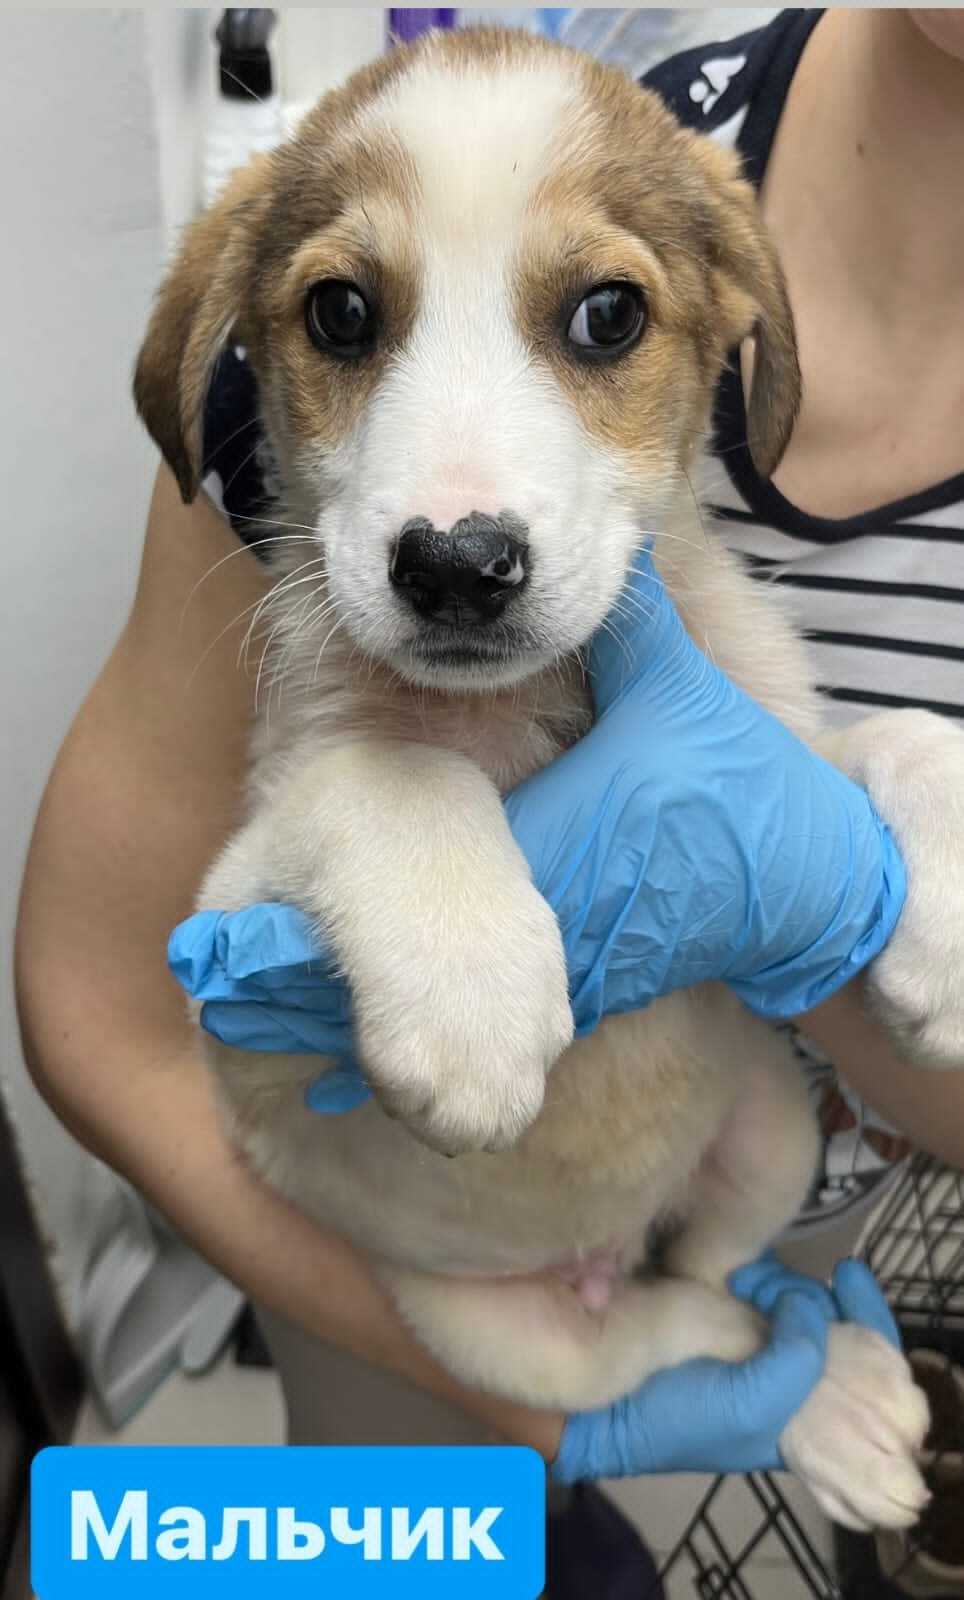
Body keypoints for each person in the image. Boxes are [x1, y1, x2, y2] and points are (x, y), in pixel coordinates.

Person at [14, 7, 964, 1594]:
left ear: (734, 327)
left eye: (602, 315)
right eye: (342, 315)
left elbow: (818, 801)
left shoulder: (679, 205)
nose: (457, 527)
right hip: (383, 1275)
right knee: (402, 1568)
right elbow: (98, 1007)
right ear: (236, 344)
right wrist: (538, 1413)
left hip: (753, 1199)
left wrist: (861, 864)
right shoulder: (619, 125)